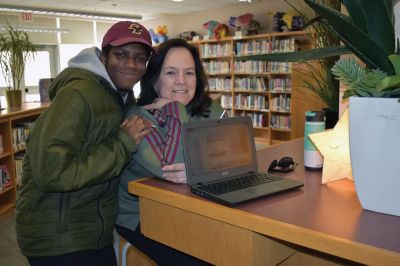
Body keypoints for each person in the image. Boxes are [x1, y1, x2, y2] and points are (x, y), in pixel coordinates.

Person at [15, 21, 155, 266]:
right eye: (121, 55)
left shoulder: (117, 96)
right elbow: (52, 172)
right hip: (59, 236)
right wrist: (122, 143)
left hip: (90, 232)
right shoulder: (78, 94)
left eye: (139, 58)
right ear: (103, 57)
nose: (131, 65)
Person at [115, 38, 225, 265]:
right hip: (143, 214)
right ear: (154, 80)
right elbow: (171, 171)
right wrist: (174, 111)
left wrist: (200, 171)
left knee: (233, 246)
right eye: (171, 73)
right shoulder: (138, 119)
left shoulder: (211, 109)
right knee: (204, 257)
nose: (182, 81)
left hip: (196, 206)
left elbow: (229, 158)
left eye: (189, 73)